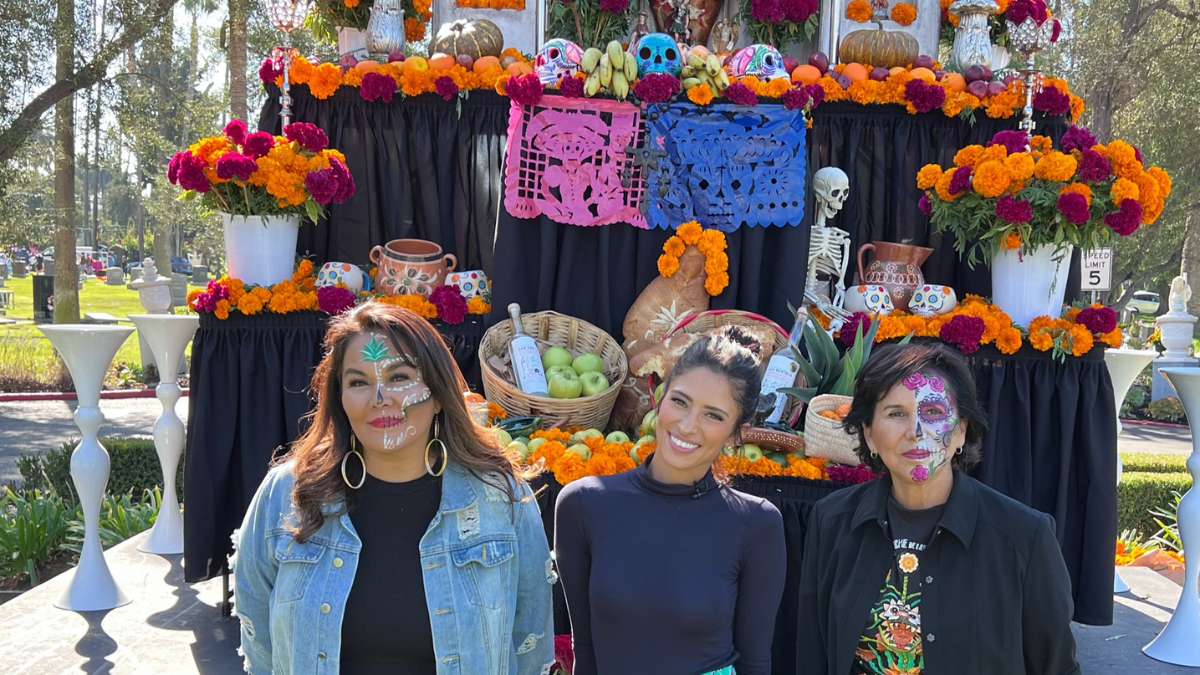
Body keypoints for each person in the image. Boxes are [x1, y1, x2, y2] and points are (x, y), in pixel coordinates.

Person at [234, 303, 555, 675]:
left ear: (437, 395)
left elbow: (529, 644)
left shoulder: (502, 500)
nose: (379, 397)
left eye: (399, 377)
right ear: (339, 398)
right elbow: (259, 642)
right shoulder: (288, 495)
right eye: (358, 382)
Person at [797, 340, 1080, 675]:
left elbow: (1056, 667)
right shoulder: (832, 520)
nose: (915, 432)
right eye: (896, 414)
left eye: (932, 412)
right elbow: (812, 653)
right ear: (869, 434)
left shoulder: (1024, 537)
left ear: (961, 431)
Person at [555, 325, 786, 675]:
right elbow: (585, 651)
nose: (688, 425)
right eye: (680, 401)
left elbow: (755, 663)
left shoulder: (756, 524)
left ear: (737, 432)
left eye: (714, 415)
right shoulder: (584, 504)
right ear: (659, 399)